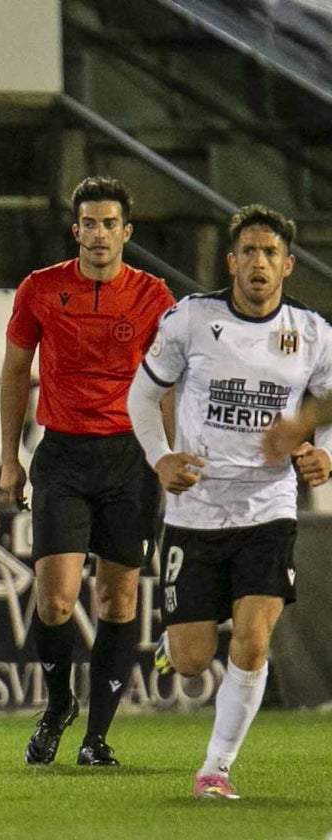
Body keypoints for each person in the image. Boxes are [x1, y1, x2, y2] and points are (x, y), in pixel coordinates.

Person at [128, 204, 332, 799]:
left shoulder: (314, 334)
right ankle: (174, 647)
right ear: (231, 261)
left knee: (253, 640)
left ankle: (215, 769)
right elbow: (142, 398)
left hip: (268, 508)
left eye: (271, 253)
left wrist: (325, 453)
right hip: (194, 510)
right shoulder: (191, 320)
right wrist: (161, 458)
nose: (259, 263)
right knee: (192, 660)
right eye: (249, 252)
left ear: (288, 265)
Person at [0, 176, 175, 767]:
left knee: (118, 599)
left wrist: (168, 457)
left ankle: (97, 737)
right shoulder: (42, 290)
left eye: (110, 224)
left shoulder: (155, 297)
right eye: (89, 224)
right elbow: (15, 373)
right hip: (64, 455)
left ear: (127, 232)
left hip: (130, 457)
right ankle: (57, 704)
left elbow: (170, 386)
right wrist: (9, 458)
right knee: (55, 599)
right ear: (76, 230)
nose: (99, 234)